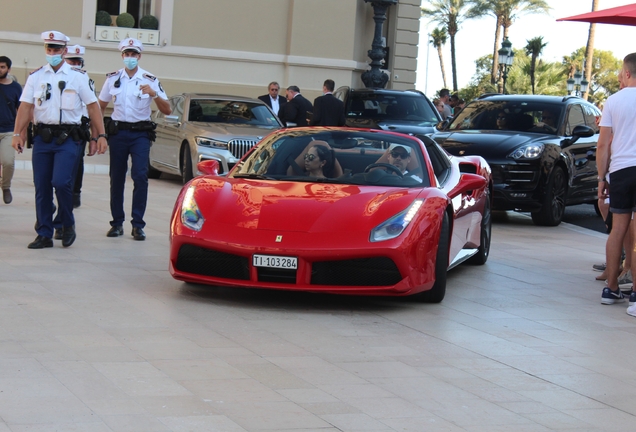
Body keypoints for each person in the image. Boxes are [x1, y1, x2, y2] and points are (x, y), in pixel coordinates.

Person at [11, 31, 108, 249]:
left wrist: (99, 135)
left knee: (61, 182)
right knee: (42, 186)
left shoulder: (78, 76)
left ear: (64, 51)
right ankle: (44, 233)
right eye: (49, 49)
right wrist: (18, 133)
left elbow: (93, 107)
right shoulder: (36, 77)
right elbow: (26, 107)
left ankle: (67, 222)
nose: (52, 53)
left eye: (56, 49)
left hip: (68, 138)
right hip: (43, 138)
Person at [98, 38, 171, 241]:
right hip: (118, 133)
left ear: (139, 56)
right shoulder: (113, 78)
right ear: (122, 55)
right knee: (117, 177)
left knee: (140, 175)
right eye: (127, 54)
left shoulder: (150, 79)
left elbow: (167, 109)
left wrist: (154, 94)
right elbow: (100, 105)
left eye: (134, 54)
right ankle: (117, 223)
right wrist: (99, 134)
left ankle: (138, 224)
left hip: (140, 134)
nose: (130, 58)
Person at [596, 52, 636, 312]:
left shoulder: (613, 100)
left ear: (628, 73)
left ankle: (610, 288)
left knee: (617, 228)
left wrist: (602, 177)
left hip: (620, 170)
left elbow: (603, 144)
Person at [0, 55, 22, 205]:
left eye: (2, 67)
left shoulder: (15, 87)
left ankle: (6, 186)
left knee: (8, 162)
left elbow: (22, 111)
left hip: (8, 130)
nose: (0, 69)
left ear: (8, 69)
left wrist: (21, 134)